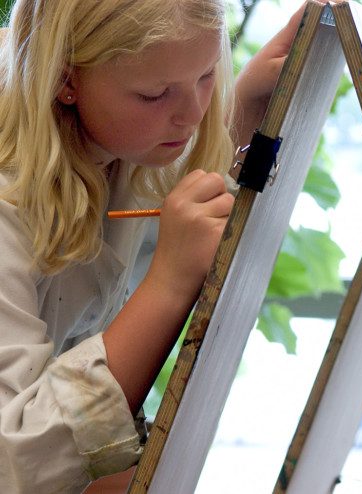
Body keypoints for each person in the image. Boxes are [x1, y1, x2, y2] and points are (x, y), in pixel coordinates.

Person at [0, 0, 311, 491]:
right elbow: (14, 459)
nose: (192, 115)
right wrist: (169, 285)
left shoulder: (110, 145)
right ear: (65, 80)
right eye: (154, 94)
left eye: (207, 75)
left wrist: (247, 103)